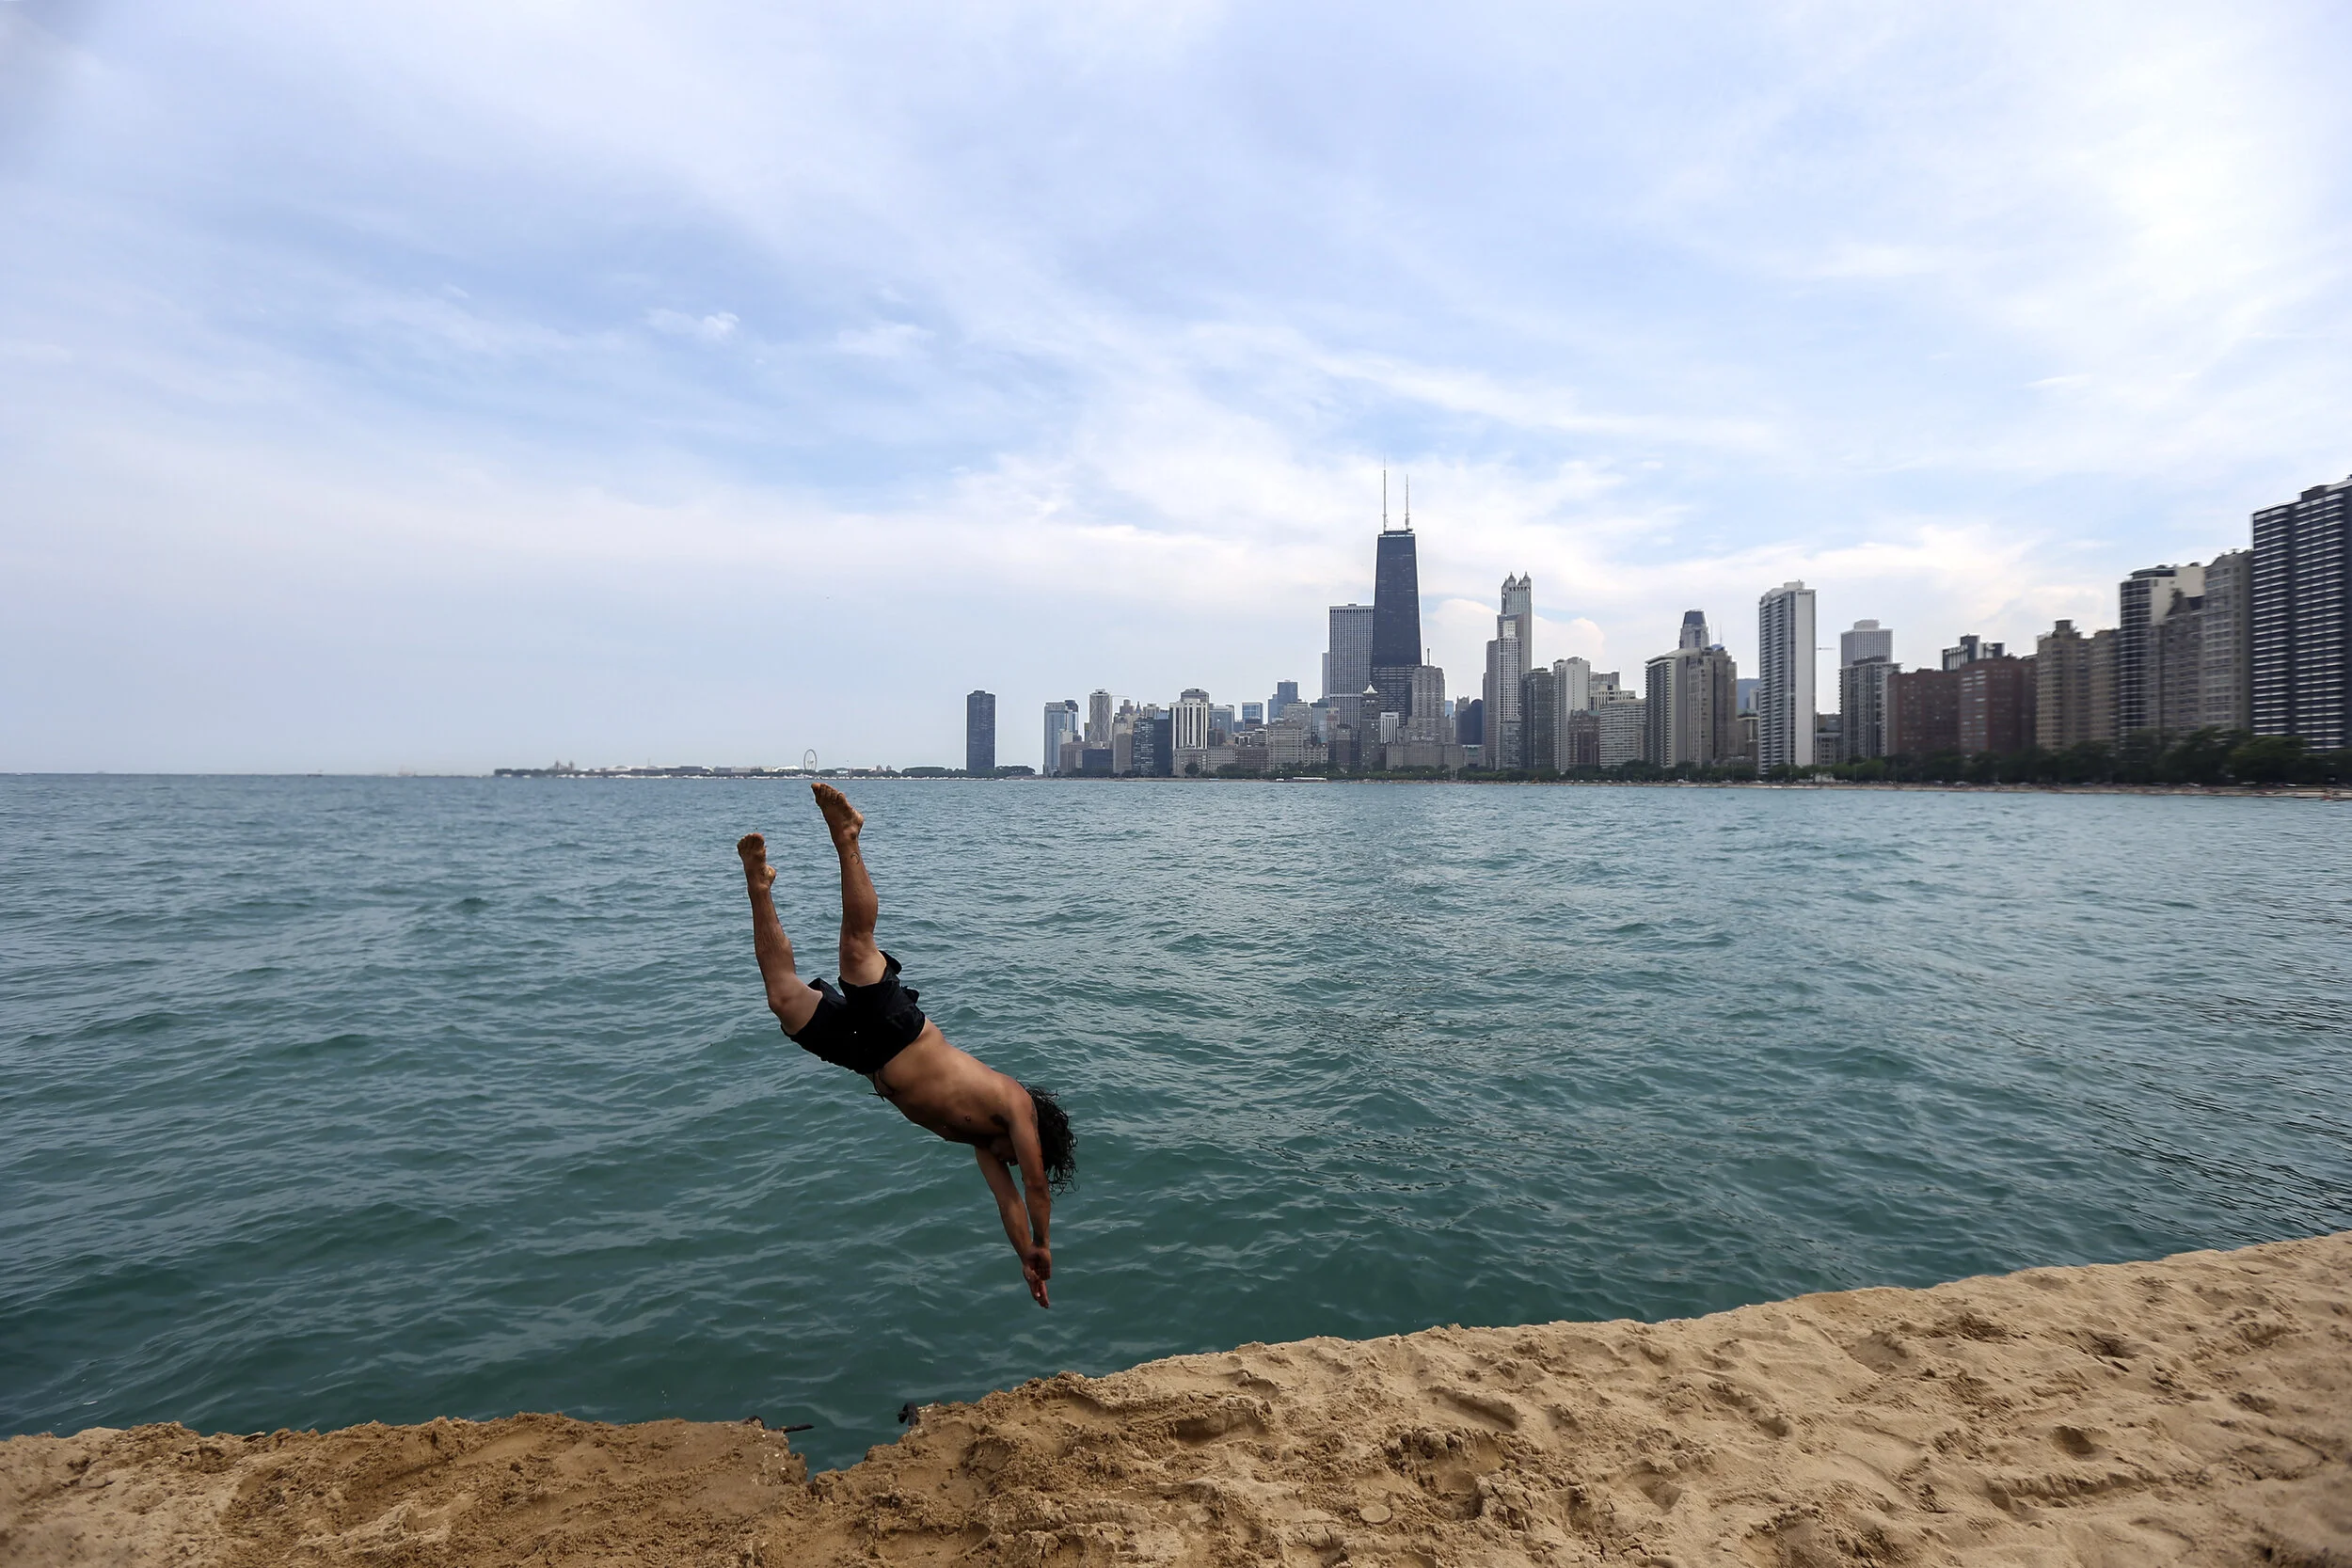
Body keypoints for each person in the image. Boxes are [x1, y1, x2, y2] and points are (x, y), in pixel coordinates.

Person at [737, 783, 1074, 1307]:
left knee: (784, 1000)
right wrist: (1047, 1243)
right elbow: (1033, 1188)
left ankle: (759, 886)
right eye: (1020, 1155)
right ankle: (847, 836)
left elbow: (1007, 1201)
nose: (1008, 1160)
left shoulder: (984, 1147)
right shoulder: (1016, 1106)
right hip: (900, 1032)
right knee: (855, 950)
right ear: (1035, 1143)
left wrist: (1025, 1257)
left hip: (867, 1058)